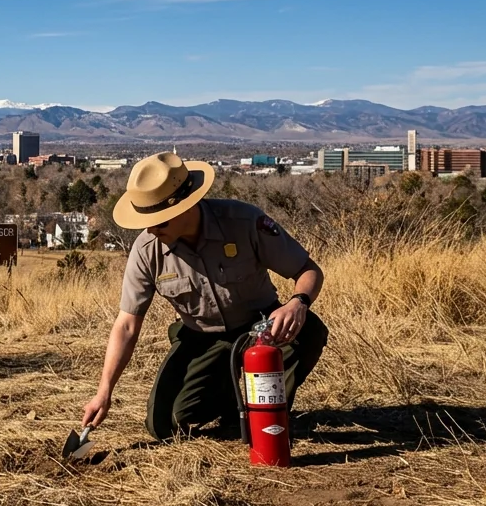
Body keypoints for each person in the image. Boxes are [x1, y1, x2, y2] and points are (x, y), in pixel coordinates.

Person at [81, 152, 329, 439]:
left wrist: (298, 303)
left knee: (307, 331)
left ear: (185, 208)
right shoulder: (147, 249)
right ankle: (230, 393)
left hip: (260, 329)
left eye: (159, 221)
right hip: (201, 338)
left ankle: (261, 407)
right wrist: (104, 392)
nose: (150, 229)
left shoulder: (244, 221)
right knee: (165, 424)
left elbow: (308, 270)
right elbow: (126, 324)